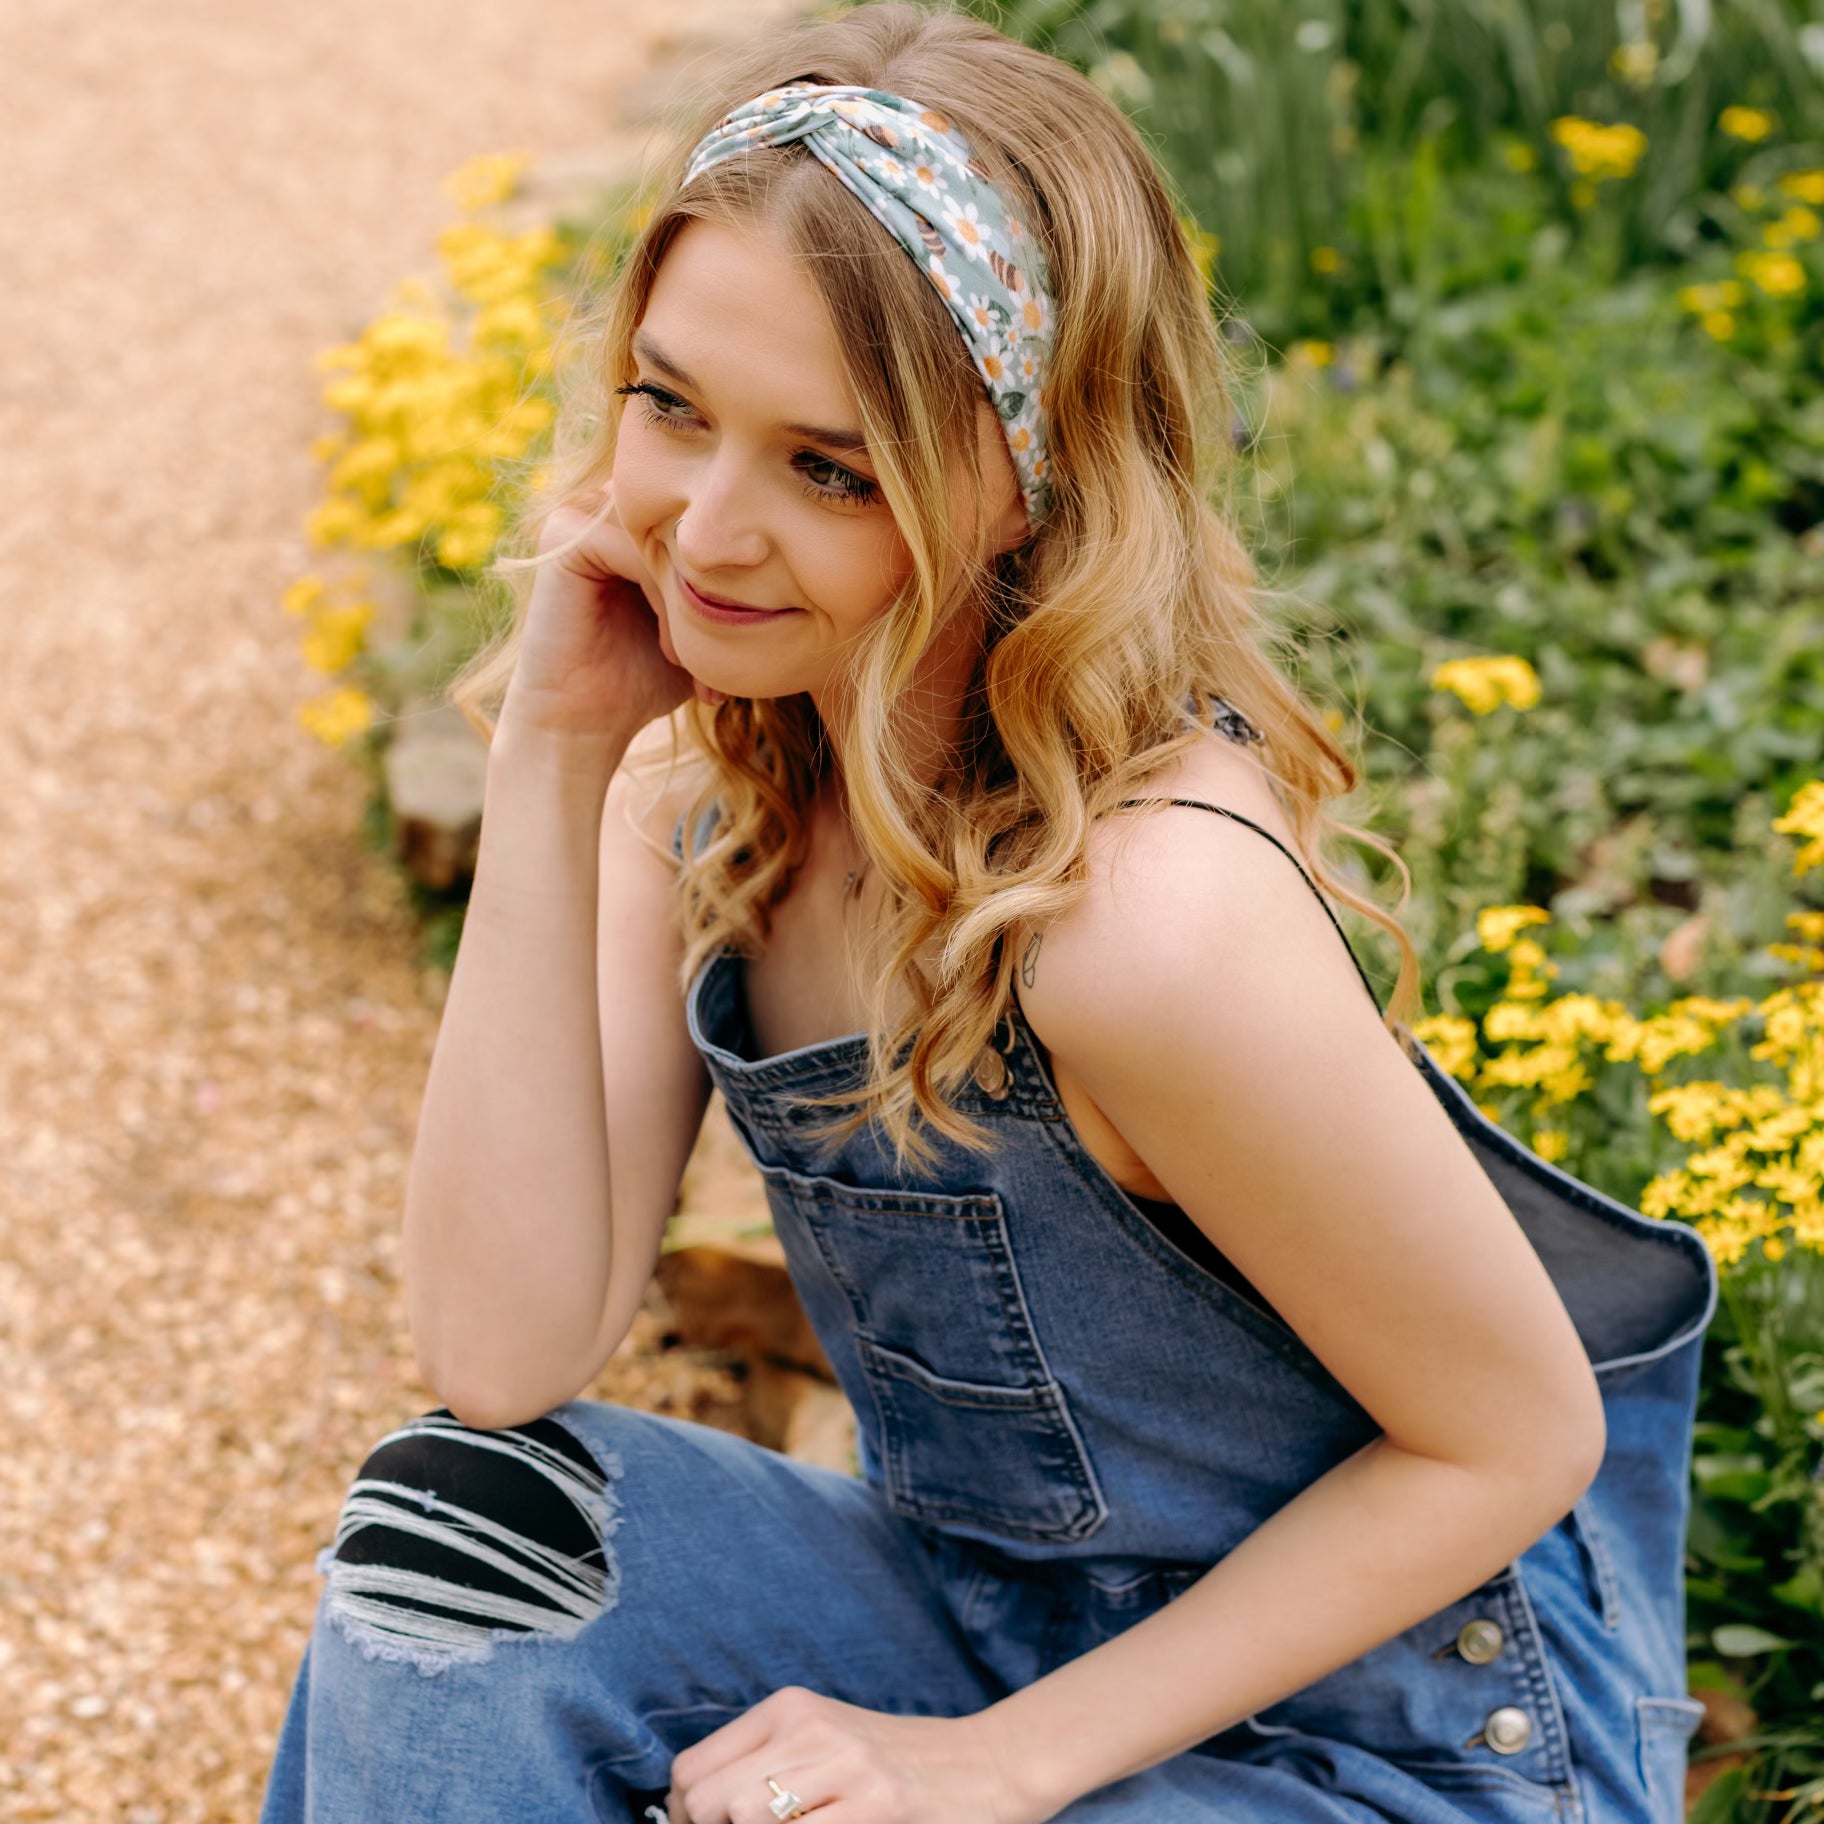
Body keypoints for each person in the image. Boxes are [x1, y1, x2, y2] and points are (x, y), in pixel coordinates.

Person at [258, 5, 1716, 1821]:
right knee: (459, 1540)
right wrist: (557, 757)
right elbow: (500, 1351)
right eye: (671, 407)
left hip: (1391, 1748)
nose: (706, 531)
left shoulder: (1142, 916)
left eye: (829, 467)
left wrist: (992, 1767)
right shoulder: (714, 800)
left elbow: (1513, 1438)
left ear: (1029, 488)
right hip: (984, 1620)